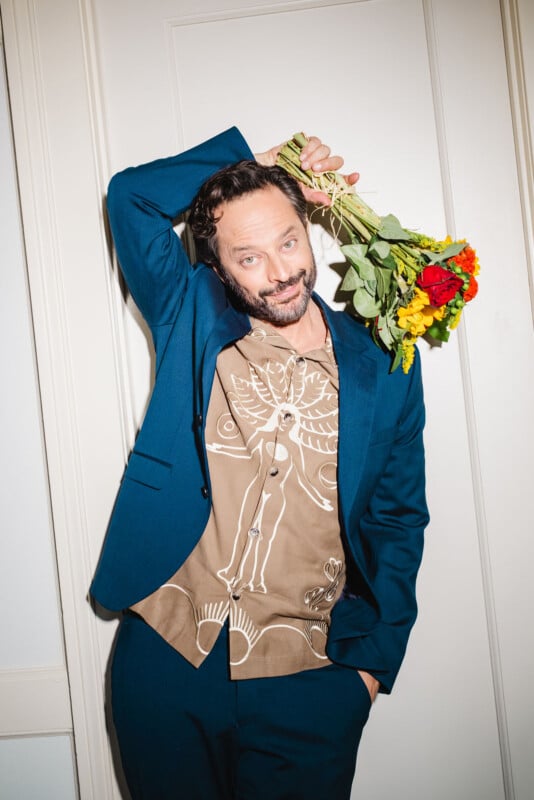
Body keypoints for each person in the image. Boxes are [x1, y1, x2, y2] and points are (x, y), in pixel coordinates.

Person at [91, 127, 429, 800]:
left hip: (310, 679)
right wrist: (260, 161)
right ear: (216, 268)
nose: (279, 272)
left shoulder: (384, 363)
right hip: (165, 664)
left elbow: (398, 516)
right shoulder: (191, 314)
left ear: (308, 229)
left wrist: (365, 672)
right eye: (248, 257)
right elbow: (131, 198)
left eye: (288, 241)